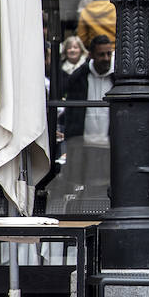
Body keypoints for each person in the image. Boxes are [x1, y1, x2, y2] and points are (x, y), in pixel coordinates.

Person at [61, 34, 114, 195]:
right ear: (91, 55)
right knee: (83, 187)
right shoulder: (78, 77)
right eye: (101, 54)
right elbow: (71, 112)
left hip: (109, 144)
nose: (106, 58)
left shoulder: (117, 78)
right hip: (83, 144)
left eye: (108, 54)